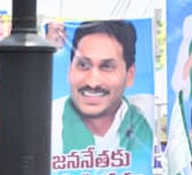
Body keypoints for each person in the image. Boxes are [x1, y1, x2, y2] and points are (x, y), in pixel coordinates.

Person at [52, 20, 154, 166]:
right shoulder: (45, 124)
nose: (93, 83)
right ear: (70, 70)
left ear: (129, 75)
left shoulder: (145, 116)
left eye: (107, 67)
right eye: (83, 65)